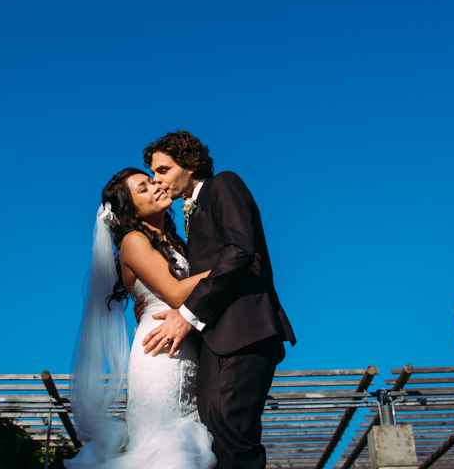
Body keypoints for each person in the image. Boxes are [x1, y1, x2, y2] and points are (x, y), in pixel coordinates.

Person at [141, 131, 295, 469]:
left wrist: (188, 313)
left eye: (163, 170)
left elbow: (241, 250)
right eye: (154, 173)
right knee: (214, 438)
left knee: (233, 437)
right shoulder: (191, 210)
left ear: (191, 164)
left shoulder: (224, 184)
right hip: (215, 337)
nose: (157, 180)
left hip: (242, 330)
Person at [66, 168, 216, 469]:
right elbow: (174, 293)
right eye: (143, 189)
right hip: (160, 353)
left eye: (152, 181)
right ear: (130, 209)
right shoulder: (133, 241)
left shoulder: (171, 239)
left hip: (182, 342)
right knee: (164, 447)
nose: (156, 186)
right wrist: (230, 268)